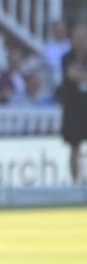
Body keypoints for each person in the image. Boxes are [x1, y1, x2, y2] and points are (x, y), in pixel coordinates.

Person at [58, 24, 87, 183]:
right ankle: (75, 181)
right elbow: (71, 75)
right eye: (77, 38)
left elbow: (77, 75)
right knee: (74, 146)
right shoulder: (66, 57)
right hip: (73, 108)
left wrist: (80, 75)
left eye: (83, 37)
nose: (80, 41)